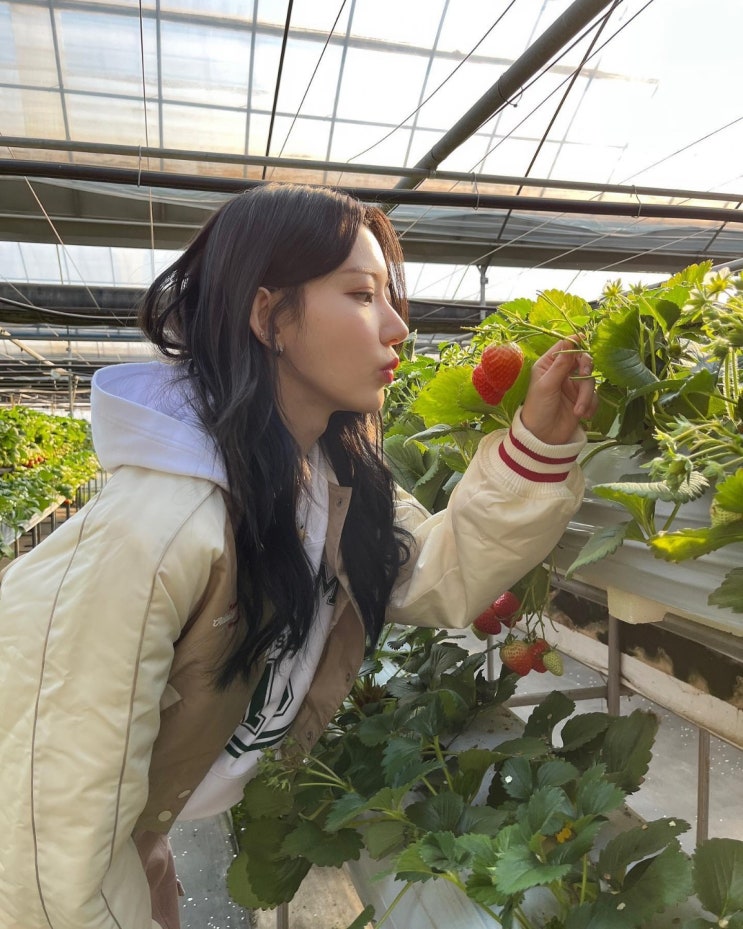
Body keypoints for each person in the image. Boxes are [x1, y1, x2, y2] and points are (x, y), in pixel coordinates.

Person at [0, 182, 597, 929]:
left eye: (391, 296)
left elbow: (438, 574)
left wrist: (536, 447)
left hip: (131, 842)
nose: (396, 326)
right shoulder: (156, 532)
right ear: (267, 315)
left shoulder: (325, 483)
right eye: (360, 294)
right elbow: (45, 843)